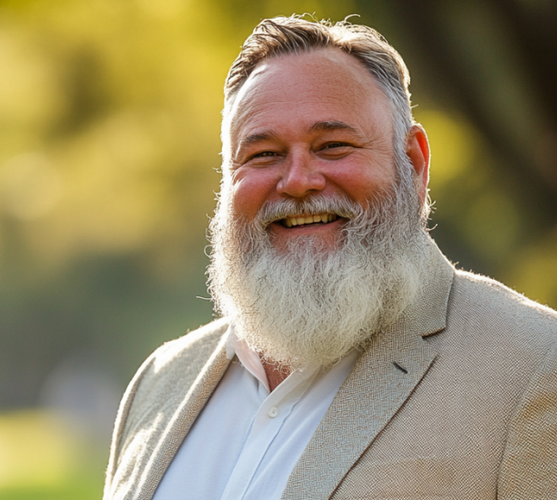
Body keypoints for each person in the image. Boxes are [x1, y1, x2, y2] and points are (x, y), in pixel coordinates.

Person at [103, 15, 557, 500]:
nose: (297, 181)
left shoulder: (534, 368)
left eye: (333, 146)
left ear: (415, 162)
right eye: (263, 154)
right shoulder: (159, 382)